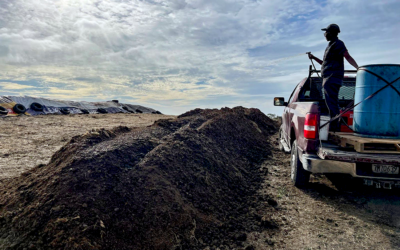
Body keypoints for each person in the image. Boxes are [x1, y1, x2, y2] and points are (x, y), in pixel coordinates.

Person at [308, 24, 358, 131]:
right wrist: (313, 57)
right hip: (328, 78)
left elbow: (347, 56)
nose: (325, 34)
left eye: (326, 32)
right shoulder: (330, 46)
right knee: (330, 102)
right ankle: (334, 125)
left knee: (332, 102)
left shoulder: (338, 44)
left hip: (332, 77)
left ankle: (335, 126)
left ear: (331, 33)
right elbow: (324, 63)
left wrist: (358, 68)